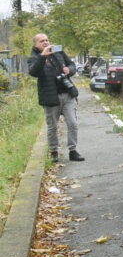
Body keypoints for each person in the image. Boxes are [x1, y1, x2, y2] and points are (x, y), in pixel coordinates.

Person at [28, 33, 84, 162]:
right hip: (50, 97)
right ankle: (54, 151)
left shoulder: (58, 52)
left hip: (67, 93)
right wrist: (43, 56)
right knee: (52, 126)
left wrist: (69, 70)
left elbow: (72, 65)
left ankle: (73, 151)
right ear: (35, 45)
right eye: (41, 41)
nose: (46, 42)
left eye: (47, 40)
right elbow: (34, 72)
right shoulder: (34, 58)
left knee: (73, 123)